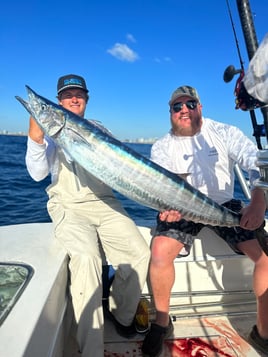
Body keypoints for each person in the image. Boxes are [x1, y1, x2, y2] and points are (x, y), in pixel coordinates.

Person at [25, 74, 150, 357]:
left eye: (78, 94)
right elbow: (37, 175)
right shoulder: (49, 134)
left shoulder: (99, 128)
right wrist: (36, 138)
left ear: (86, 99)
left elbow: (121, 168)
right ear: (58, 102)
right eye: (67, 95)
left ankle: (121, 314)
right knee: (87, 259)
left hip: (105, 202)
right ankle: (91, 349)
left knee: (139, 252)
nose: (73, 98)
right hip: (69, 205)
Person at [141, 85, 268, 356]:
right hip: (181, 207)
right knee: (160, 252)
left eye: (190, 104)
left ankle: (263, 331)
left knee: (266, 258)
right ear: (170, 112)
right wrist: (167, 208)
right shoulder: (162, 146)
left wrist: (257, 201)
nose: (184, 110)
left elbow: (255, 162)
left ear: (200, 107)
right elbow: (159, 187)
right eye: (177, 106)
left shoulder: (224, 132)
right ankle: (162, 323)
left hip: (222, 205)